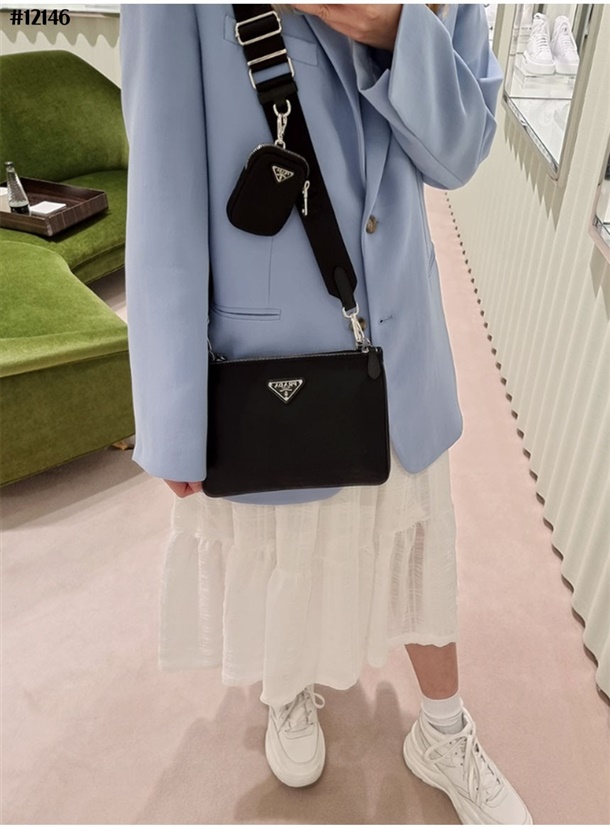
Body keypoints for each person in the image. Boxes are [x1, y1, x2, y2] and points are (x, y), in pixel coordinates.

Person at [119, 4, 532, 823]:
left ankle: (444, 727)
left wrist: (395, 30)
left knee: (415, 533)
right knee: (289, 549)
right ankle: (289, 685)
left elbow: (458, 153)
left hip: (398, 338)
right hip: (268, 353)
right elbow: (163, 186)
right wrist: (170, 411)